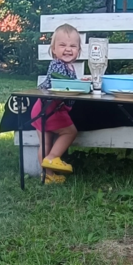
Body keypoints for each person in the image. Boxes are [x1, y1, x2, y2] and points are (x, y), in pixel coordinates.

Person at [34, 24, 81, 184]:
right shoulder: (57, 65)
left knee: (45, 142)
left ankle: (47, 175)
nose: (68, 49)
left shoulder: (69, 66)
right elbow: (62, 84)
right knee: (70, 132)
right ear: (53, 49)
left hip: (41, 108)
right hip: (51, 108)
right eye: (62, 45)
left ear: (79, 51)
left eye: (73, 46)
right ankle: (53, 158)